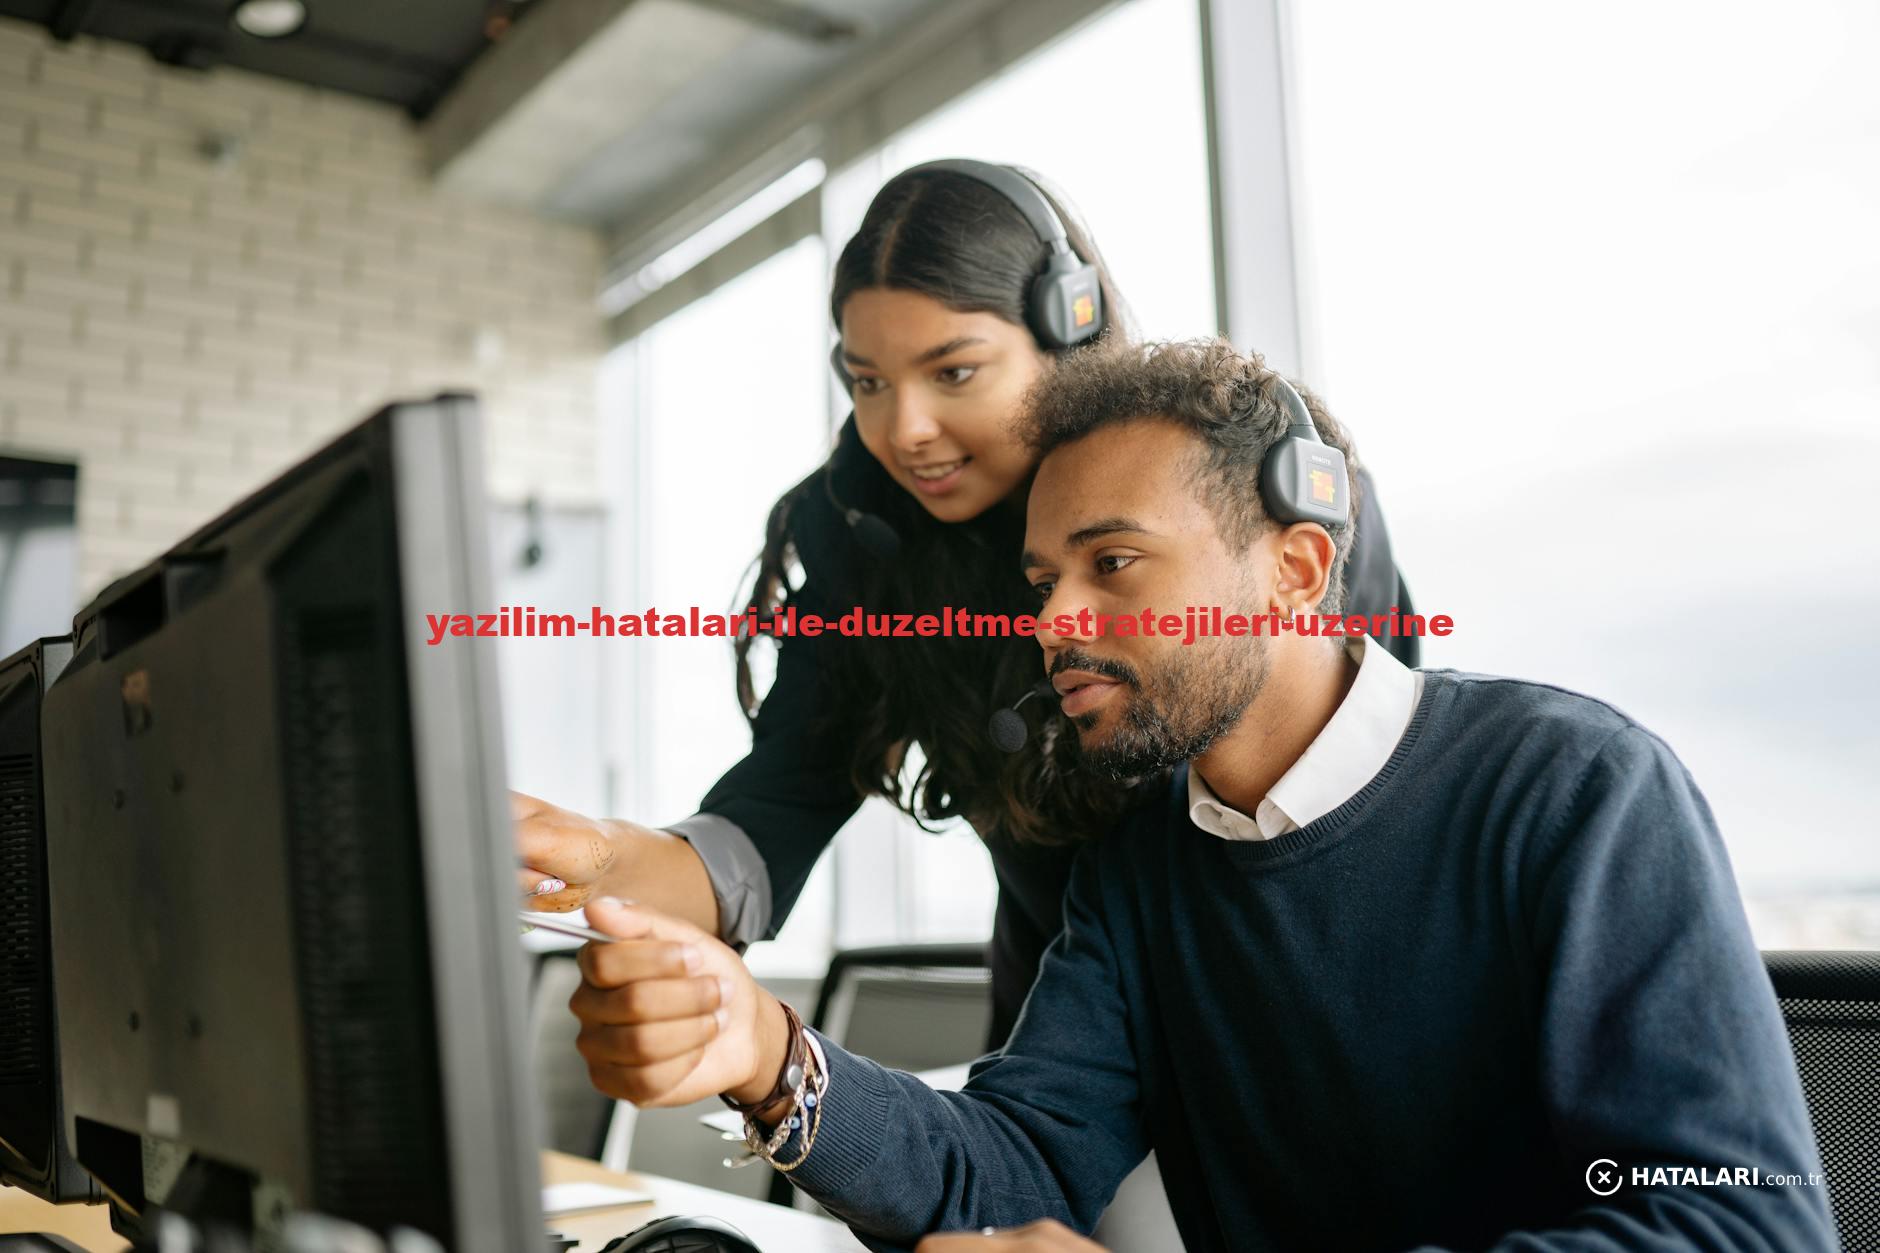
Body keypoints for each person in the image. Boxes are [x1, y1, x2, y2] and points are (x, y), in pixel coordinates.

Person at [562, 339, 1834, 1253]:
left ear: (1290, 569)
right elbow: (1020, 1158)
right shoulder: (1141, 861)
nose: (1053, 620)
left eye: (1112, 562)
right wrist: (771, 1056)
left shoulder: (1572, 792)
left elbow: (1730, 1217)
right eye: (1042, 577)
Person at [514, 161, 1416, 1044]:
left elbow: (1392, 794)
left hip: (1292, 1014)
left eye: (953, 373)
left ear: (1070, 333)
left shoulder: (1267, 504)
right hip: (1060, 1045)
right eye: (868, 381)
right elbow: (773, 812)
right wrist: (598, 857)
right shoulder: (863, 539)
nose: (903, 430)